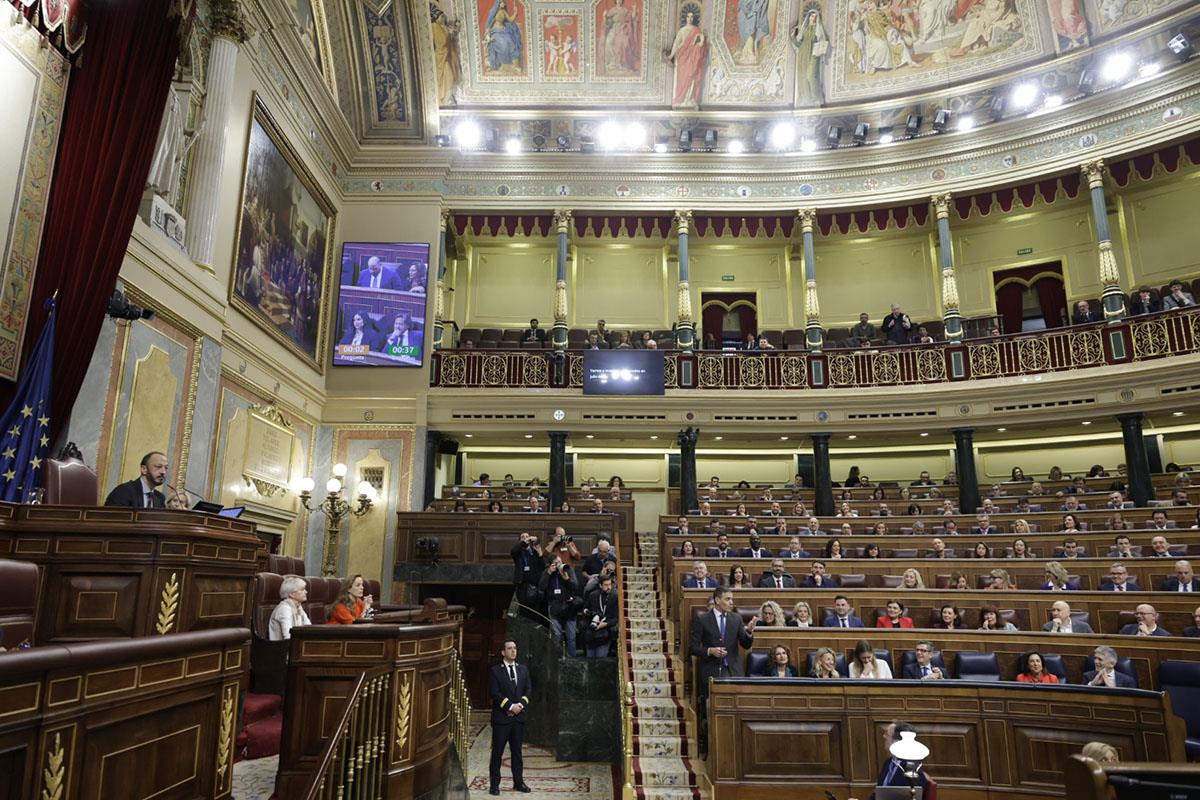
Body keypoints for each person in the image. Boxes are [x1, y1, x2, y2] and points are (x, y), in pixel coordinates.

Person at [691, 586, 757, 751]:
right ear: (717, 600)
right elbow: (692, 648)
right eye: (728, 599)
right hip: (712, 671)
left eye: (731, 599)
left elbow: (745, 643)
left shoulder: (736, 619)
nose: (731, 602)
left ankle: (734, 747)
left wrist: (749, 632)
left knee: (736, 709)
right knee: (711, 710)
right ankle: (712, 748)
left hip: (733, 671)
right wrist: (710, 651)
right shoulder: (702, 619)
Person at [488, 640, 532, 795]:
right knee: (497, 753)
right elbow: (495, 693)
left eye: (515, 648)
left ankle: (518, 783)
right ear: (503, 652)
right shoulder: (495, 671)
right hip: (502, 719)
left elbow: (528, 690)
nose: (513, 651)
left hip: (518, 719)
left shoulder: (523, 669)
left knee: (517, 753)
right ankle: (494, 785)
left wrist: (519, 705)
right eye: (509, 648)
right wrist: (510, 707)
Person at [540, 557, 580, 655]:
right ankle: (556, 658)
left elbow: (575, 587)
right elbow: (541, 587)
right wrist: (549, 572)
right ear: (551, 564)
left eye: (560, 562)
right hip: (555, 607)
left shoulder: (568, 569)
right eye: (556, 563)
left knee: (571, 636)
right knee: (556, 636)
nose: (558, 564)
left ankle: (572, 659)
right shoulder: (548, 572)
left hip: (569, 606)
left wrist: (566, 579)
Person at [104, 451, 169, 507]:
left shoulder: (160, 498)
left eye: (166, 468)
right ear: (144, 469)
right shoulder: (124, 491)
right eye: (158, 467)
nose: (163, 472)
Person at [583, 573, 617, 657]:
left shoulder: (615, 597)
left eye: (610, 584)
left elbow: (616, 618)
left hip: (605, 633)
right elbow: (585, 608)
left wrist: (606, 624)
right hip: (591, 632)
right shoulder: (593, 595)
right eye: (606, 585)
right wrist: (586, 611)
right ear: (600, 585)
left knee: (601, 660)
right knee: (590, 659)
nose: (609, 587)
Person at [268, 576, 310, 640]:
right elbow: (288, 636)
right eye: (302, 589)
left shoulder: (298, 607)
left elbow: (309, 628)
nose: (306, 592)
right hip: (281, 648)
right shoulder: (284, 609)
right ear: (292, 594)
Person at [511, 533, 546, 608]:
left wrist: (540, 552)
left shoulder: (534, 551)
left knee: (534, 609)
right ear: (519, 541)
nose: (525, 538)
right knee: (523, 609)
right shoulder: (518, 553)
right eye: (522, 537)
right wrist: (524, 542)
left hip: (534, 585)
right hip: (522, 585)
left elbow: (542, 566)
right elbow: (513, 551)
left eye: (527, 537)